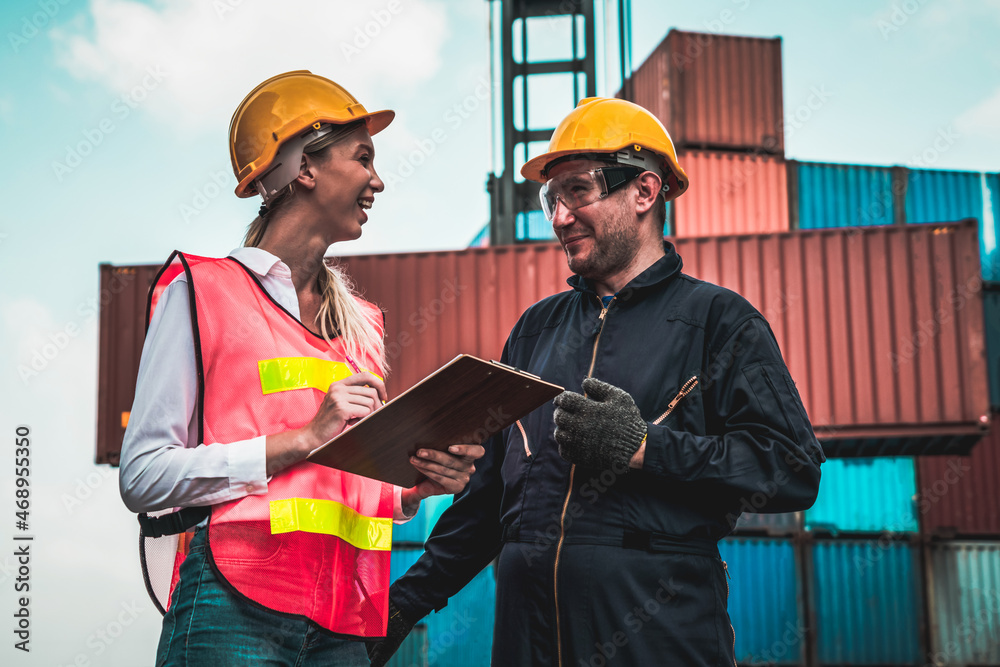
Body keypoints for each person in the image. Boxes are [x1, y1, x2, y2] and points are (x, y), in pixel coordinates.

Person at [368, 97, 825, 666]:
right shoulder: (536, 330)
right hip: (527, 640)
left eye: (578, 192)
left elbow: (792, 469)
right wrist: (402, 606)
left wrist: (645, 448)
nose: (559, 216)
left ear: (644, 191)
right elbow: (488, 501)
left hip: (657, 637)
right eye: (551, 198)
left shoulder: (719, 322)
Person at [119, 70, 484, 666]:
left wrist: (416, 487)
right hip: (234, 606)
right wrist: (304, 438)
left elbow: (346, 487)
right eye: (363, 158)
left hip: (347, 618)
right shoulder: (202, 291)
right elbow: (142, 476)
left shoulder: (362, 325)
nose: (378, 180)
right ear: (305, 170)